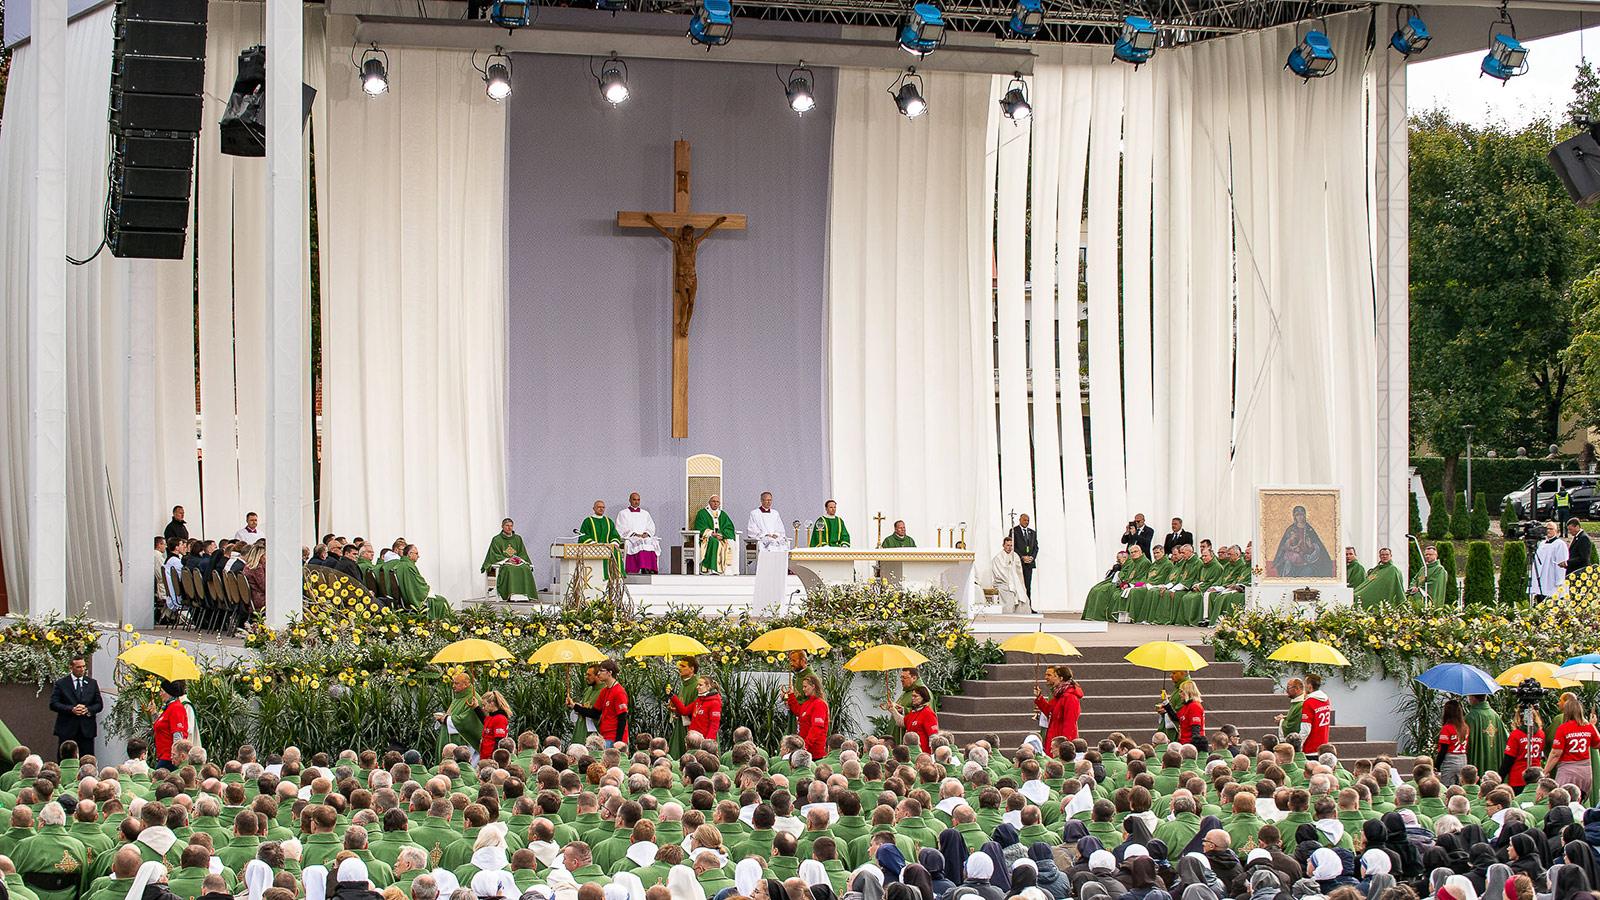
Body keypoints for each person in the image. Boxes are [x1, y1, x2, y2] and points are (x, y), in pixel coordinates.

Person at [1544, 694, 1599, 800]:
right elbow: (1597, 744)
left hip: (1567, 769)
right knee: (1580, 799)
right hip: (1585, 771)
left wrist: (1546, 770)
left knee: (1561, 799)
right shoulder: (1588, 727)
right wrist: (1593, 726)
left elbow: (1556, 753)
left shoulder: (1563, 728)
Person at [49, 656, 102, 760]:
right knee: (65, 758)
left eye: (83, 667)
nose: (82, 669)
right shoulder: (62, 683)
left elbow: (99, 704)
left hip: (86, 729)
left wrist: (88, 710)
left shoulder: (92, 683)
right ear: (71, 668)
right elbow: (54, 704)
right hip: (67, 728)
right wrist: (71, 709)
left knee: (87, 759)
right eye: (78, 667)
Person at [569, 659, 629, 747]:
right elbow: (594, 713)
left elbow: (622, 718)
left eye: (601, 671)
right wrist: (575, 706)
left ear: (609, 672)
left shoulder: (619, 692)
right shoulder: (604, 691)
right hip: (604, 736)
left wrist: (618, 742)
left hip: (613, 738)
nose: (598, 673)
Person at [747, 493, 789, 612]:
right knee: (768, 544)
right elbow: (751, 528)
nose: (768, 502)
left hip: (774, 537)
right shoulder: (754, 513)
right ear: (761, 500)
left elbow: (780, 527)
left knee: (781, 544)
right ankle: (766, 570)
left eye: (770, 500)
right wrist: (765, 534)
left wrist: (777, 534)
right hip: (762, 537)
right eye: (766, 500)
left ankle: (777, 570)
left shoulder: (775, 513)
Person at [1270, 505, 1333, 579]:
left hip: (1307, 556)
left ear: (1305, 516)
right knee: (1287, 564)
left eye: (1302, 515)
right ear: (1294, 517)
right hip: (1294, 556)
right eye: (1297, 515)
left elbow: (1317, 543)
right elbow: (1284, 545)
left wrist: (1311, 546)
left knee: (1311, 570)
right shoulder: (1291, 529)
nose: (1300, 517)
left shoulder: (1309, 529)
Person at [1500, 687, 1546, 790]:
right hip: (1537, 776)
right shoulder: (1540, 733)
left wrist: (1500, 776)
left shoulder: (1516, 734)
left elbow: (1509, 759)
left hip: (1518, 778)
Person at [388, 545, 449, 618]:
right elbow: (417, 586)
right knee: (441, 601)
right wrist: (426, 589)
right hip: (412, 600)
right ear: (409, 554)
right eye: (416, 553)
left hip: (403, 599)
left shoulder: (401, 564)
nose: (418, 556)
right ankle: (442, 624)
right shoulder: (407, 566)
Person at [434, 673, 483, 761]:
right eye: (453, 683)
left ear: (466, 684)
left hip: (465, 741)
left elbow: (467, 720)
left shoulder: (473, 698)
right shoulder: (459, 697)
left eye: (456, 683)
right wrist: (442, 718)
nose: (453, 686)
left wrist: (446, 719)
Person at [1032, 665, 1083, 750]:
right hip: (1054, 734)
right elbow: (1050, 711)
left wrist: (1065, 744)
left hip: (1060, 737)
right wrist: (1039, 698)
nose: (1052, 679)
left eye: (1054, 676)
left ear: (1061, 678)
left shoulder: (1070, 697)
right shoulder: (1059, 694)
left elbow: (1069, 722)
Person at [152, 680, 196, 769]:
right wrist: (153, 713)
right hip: (164, 755)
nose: (160, 694)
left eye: (161, 691)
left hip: (168, 757)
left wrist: (175, 755)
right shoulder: (169, 708)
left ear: (169, 692)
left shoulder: (176, 708)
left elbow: (178, 733)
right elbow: (161, 726)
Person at [579, 501, 626, 583]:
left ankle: (616, 577)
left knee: (616, 552)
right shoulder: (588, 521)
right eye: (599, 507)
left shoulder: (608, 521)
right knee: (601, 552)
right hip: (593, 547)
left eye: (603, 507)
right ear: (593, 508)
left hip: (607, 547)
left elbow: (614, 535)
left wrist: (614, 543)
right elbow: (583, 535)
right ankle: (601, 577)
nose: (601, 509)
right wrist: (593, 543)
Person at [669, 672, 722, 744]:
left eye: (700, 685)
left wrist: (708, 742)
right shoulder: (699, 700)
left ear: (708, 686)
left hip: (703, 742)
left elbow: (714, 725)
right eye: (697, 685)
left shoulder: (714, 703)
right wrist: (672, 696)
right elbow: (684, 711)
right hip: (693, 740)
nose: (697, 687)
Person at [784, 674, 829, 759]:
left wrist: (806, 745)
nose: (803, 689)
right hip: (807, 749)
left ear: (813, 686)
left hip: (814, 752)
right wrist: (791, 695)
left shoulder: (819, 704)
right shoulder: (808, 702)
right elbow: (799, 711)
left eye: (805, 686)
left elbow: (816, 727)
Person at [616, 494, 661, 576]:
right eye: (634, 499)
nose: (636, 502)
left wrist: (646, 533)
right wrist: (634, 534)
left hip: (643, 537)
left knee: (649, 542)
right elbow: (620, 527)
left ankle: (650, 568)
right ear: (630, 500)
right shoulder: (623, 513)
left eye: (638, 500)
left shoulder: (645, 513)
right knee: (639, 542)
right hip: (631, 537)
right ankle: (642, 567)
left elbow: (651, 526)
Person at [1464, 694, 1506, 777]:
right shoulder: (1494, 715)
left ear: (1473, 698)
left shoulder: (1471, 717)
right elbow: (1506, 738)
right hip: (1494, 759)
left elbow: (1466, 743)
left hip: (1478, 760)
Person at [667, 657, 701, 757]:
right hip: (681, 722)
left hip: (691, 725)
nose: (679, 668)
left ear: (692, 669)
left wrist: (679, 710)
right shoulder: (684, 684)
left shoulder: (697, 684)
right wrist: (673, 708)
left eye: (683, 666)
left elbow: (697, 708)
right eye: (679, 666)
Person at [693, 495, 736, 574]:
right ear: (709, 502)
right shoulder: (702, 513)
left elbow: (729, 527)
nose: (715, 504)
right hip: (707, 537)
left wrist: (722, 534)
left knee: (731, 543)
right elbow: (699, 526)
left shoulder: (722, 514)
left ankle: (729, 570)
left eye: (717, 502)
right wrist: (712, 534)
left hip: (721, 537)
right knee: (714, 542)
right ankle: (712, 568)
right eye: (713, 501)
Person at [1159, 679, 1206, 749]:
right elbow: (1176, 717)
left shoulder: (1195, 706)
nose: (1179, 694)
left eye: (1181, 691)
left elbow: (1195, 730)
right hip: (1184, 743)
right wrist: (1166, 702)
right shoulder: (1187, 706)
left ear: (1188, 692)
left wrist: (1192, 748)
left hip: (1189, 745)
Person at [891, 686, 939, 754]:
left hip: (921, 753)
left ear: (923, 697)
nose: (912, 698)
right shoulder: (914, 711)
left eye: (915, 696)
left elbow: (933, 737)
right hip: (910, 752)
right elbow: (902, 722)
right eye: (912, 696)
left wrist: (932, 755)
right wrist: (892, 710)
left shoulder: (929, 713)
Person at [990, 537, 1031, 614]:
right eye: (1008, 545)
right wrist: (1009, 568)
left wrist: (1013, 566)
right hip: (1003, 583)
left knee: (1022, 595)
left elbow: (1018, 571)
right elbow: (1000, 572)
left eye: (1011, 545)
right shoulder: (998, 558)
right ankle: (1007, 614)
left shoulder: (1015, 556)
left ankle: (1021, 616)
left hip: (1015, 581)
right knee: (1009, 594)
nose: (1009, 547)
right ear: (1003, 545)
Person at [1530, 522, 1569, 602]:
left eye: (1551, 529)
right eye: (1546, 529)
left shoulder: (1560, 544)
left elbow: (1561, 562)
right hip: (1542, 576)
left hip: (1552, 576)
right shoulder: (1542, 544)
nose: (1548, 531)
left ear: (1556, 530)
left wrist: (1559, 580)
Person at [1436, 698, 1470, 786]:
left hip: (1450, 760)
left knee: (1448, 787)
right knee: (1460, 787)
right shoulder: (1465, 728)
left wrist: (1436, 766)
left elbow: (1443, 750)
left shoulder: (1447, 728)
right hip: (1463, 758)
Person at [1299, 674, 1331, 752]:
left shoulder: (1309, 702)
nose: (1304, 687)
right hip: (1323, 745)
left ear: (1310, 686)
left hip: (1310, 747)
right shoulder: (1326, 700)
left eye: (1305, 684)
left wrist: (1299, 745)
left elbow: (1306, 728)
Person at [1009, 515, 1038, 598]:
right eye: (1024, 520)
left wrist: (1031, 557)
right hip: (1019, 562)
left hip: (1029, 564)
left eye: (1028, 520)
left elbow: (1036, 547)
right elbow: (1013, 546)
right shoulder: (1014, 531)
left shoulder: (1032, 533)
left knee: (1028, 586)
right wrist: (1022, 557)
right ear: (1020, 520)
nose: (1026, 522)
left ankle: (1028, 606)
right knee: (1018, 585)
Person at [478, 691, 510, 761]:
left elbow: (499, 741)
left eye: (484, 705)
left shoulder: (500, 719)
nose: (483, 708)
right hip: (485, 756)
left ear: (492, 704)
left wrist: (493, 759)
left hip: (490, 757)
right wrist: (476, 708)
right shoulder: (491, 717)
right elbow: (485, 721)